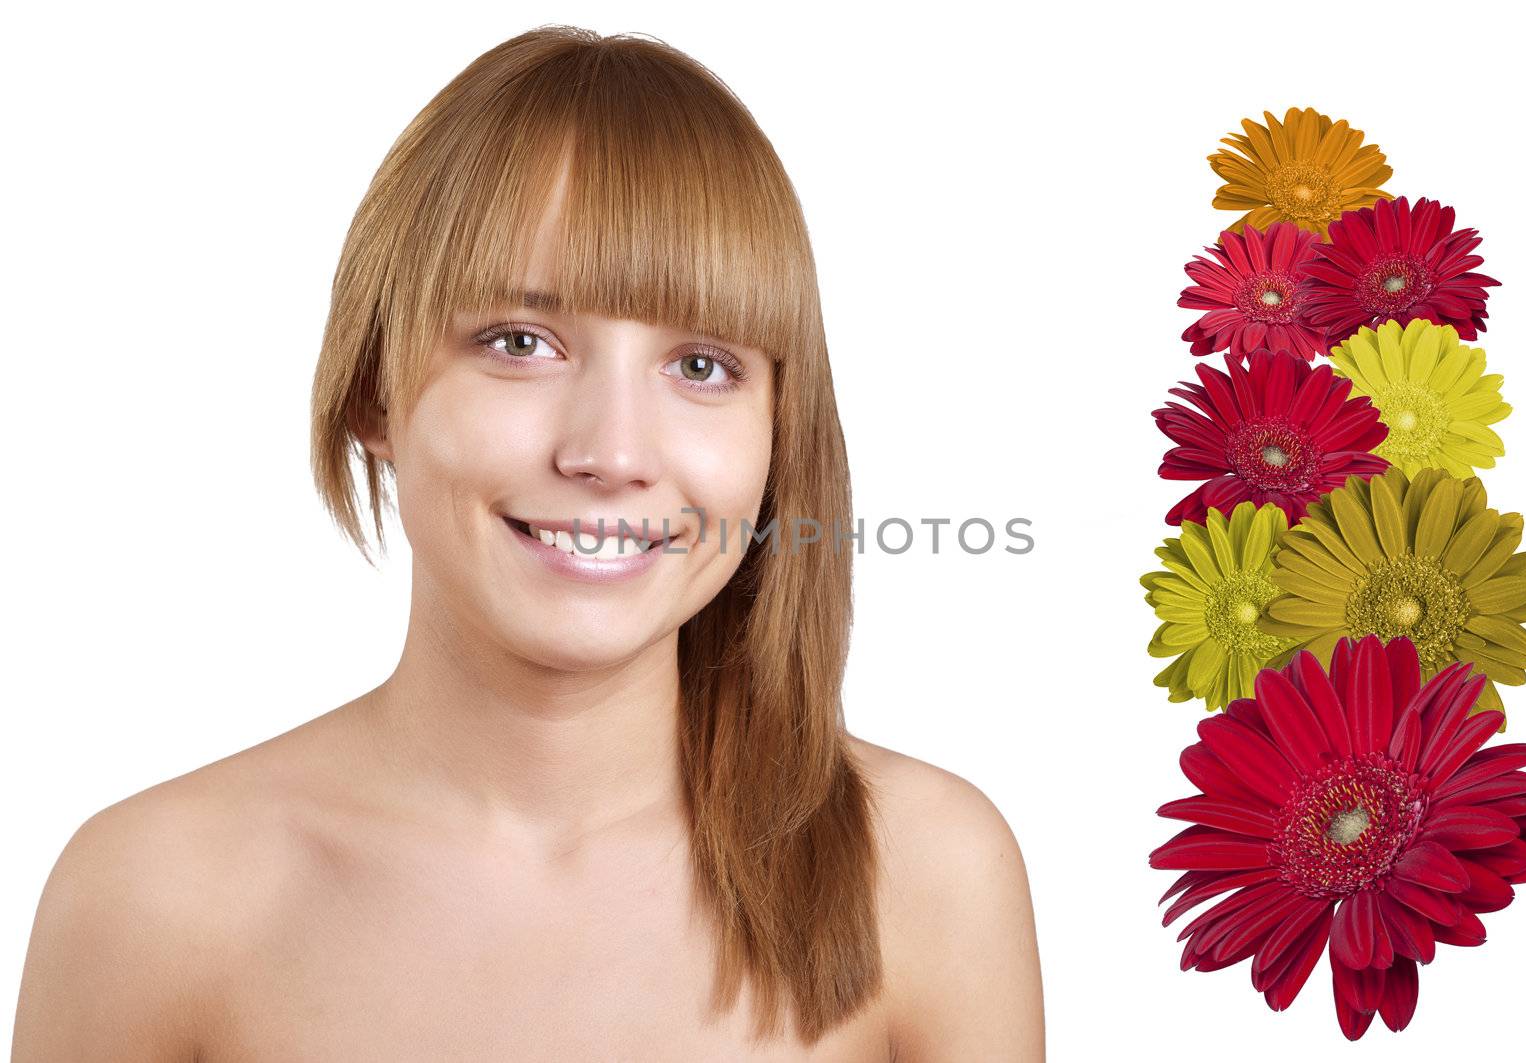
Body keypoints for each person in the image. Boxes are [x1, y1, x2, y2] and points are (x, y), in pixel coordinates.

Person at [11, 25, 1044, 1060]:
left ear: (779, 431)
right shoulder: (153, 900)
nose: (611, 451)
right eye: (519, 343)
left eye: (700, 367)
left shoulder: (923, 877)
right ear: (375, 387)